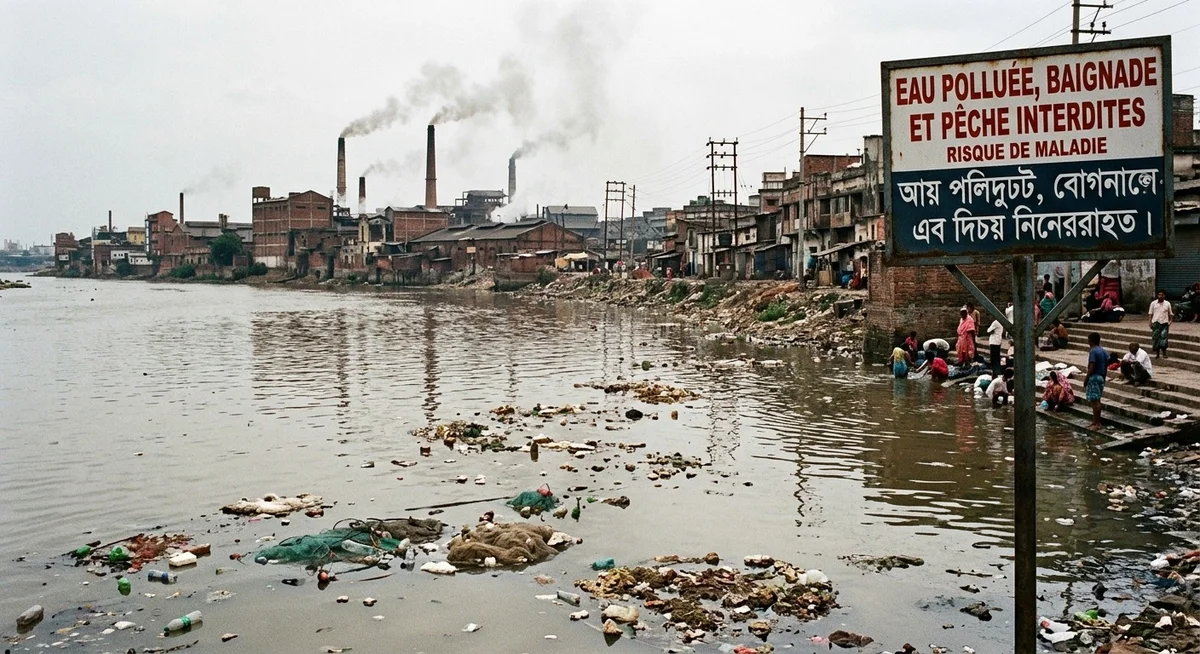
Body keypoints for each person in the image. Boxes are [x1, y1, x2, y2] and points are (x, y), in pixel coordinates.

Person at [1086, 332, 1110, 430]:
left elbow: (1091, 367)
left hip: (1094, 377)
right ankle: (1095, 422)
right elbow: (1106, 366)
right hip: (1101, 377)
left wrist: (1086, 378)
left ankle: (1097, 423)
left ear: (1091, 341)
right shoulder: (1104, 351)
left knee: (1094, 401)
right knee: (1097, 399)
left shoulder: (1093, 351)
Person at [1148, 290, 1173, 359]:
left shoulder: (1167, 303)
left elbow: (1170, 313)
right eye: (1159, 295)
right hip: (1156, 323)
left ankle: (1164, 353)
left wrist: (1170, 321)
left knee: (1164, 338)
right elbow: (1150, 313)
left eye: (1162, 295)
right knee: (1156, 338)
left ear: (1164, 296)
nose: (1160, 296)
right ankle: (1157, 354)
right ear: (1157, 296)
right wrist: (1150, 322)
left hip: (1164, 323)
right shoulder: (1153, 303)